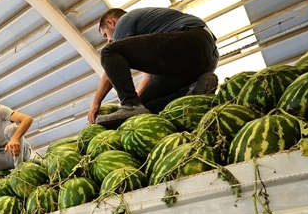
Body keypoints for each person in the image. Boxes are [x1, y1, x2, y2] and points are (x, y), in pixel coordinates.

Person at [88, 7, 220, 127]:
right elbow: (148, 78)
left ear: (111, 23)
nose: (109, 40)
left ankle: (130, 105)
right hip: (206, 60)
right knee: (146, 105)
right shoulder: (148, 32)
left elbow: (111, 67)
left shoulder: (125, 20)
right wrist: (136, 102)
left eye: (106, 35)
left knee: (108, 52)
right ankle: (192, 91)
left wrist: (96, 102)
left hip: (191, 40)